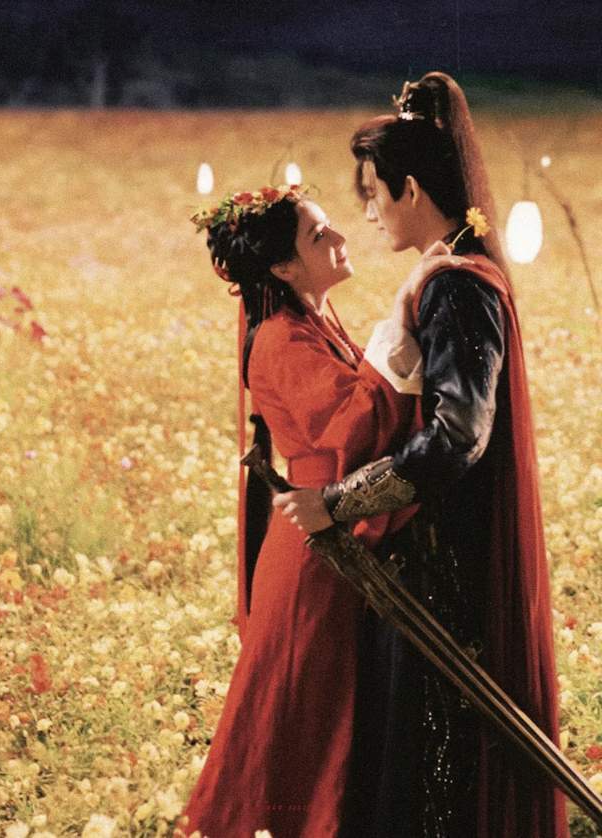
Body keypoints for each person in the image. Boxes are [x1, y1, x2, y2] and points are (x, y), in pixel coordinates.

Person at [273, 72, 568, 837]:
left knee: (436, 755)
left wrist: (336, 501)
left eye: (374, 193)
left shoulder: (457, 286)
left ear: (409, 188)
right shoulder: (448, 273)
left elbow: (458, 437)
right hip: (429, 554)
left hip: (447, 565)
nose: (369, 213)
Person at [176, 184, 469, 837]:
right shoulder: (281, 338)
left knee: (322, 703)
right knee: (297, 706)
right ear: (283, 267)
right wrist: (402, 309)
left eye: (331, 226)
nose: (339, 239)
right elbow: (356, 423)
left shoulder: (314, 318)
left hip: (332, 523)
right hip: (312, 544)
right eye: (318, 236)